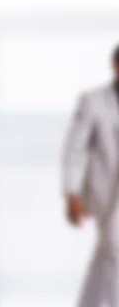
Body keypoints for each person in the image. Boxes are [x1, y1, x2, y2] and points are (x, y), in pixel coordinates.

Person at [62, 44, 119, 307]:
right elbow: (75, 149)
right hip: (106, 193)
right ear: (116, 67)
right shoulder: (94, 102)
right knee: (115, 249)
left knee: (108, 253)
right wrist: (72, 192)